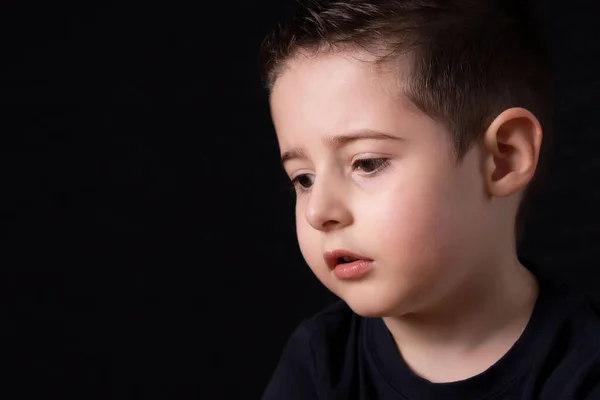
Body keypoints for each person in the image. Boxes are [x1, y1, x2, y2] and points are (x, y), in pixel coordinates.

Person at [259, 0, 600, 399]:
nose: (319, 212)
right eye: (303, 179)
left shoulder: (582, 370)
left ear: (502, 159)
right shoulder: (321, 361)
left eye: (367, 163)